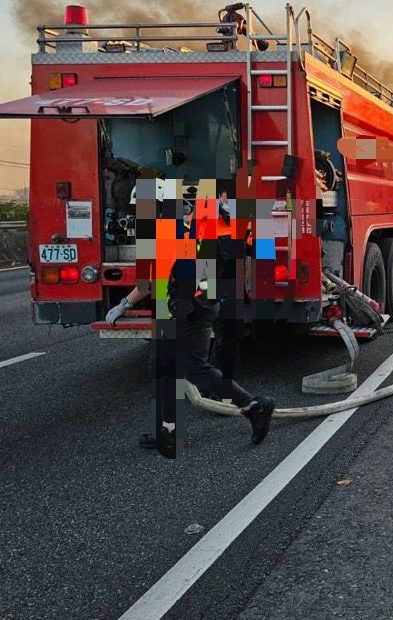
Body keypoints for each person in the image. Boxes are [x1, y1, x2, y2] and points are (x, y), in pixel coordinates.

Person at [106, 184, 275, 448]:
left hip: (181, 310)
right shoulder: (192, 227)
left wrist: (122, 306)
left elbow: (149, 285)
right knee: (195, 368)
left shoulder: (162, 236)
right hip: (206, 305)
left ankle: (171, 432)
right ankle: (254, 406)